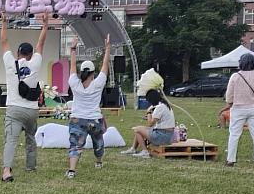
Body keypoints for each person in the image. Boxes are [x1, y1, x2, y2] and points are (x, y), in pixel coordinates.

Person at [0, 12, 49, 182]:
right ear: (30, 54)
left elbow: (4, 41)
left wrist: (4, 23)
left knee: (11, 140)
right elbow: (41, 43)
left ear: (18, 53)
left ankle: (7, 171)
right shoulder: (35, 63)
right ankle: (31, 166)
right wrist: (45, 25)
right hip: (32, 110)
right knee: (30, 138)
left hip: (14, 109)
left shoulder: (10, 63)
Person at [65, 34, 110, 179]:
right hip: (94, 120)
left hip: (77, 119)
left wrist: (73, 49)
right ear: (93, 73)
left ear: (81, 72)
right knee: (98, 142)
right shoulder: (98, 83)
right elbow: (105, 66)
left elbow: (72, 66)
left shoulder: (75, 83)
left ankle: (72, 171)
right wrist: (107, 49)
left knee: (75, 145)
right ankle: (98, 161)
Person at [223, 53, 254, 167]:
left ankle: (230, 160)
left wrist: (229, 103)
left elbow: (229, 95)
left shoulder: (235, 76)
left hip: (238, 108)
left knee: (234, 134)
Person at [121, 89, 175, 158]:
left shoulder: (159, 107)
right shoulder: (165, 105)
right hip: (167, 135)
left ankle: (145, 152)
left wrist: (149, 113)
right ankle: (133, 149)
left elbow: (150, 124)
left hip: (162, 136)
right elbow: (159, 119)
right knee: (138, 128)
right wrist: (150, 116)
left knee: (137, 130)